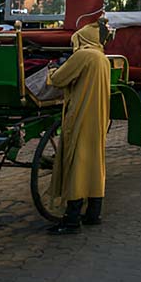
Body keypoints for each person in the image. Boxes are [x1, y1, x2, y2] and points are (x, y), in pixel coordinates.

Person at [46, 19, 113, 235]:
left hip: (82, 116)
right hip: (98, 117)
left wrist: (51, 70)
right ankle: (93, 213)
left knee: (77, 163)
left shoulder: (84, 55)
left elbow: (58, 80)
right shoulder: (102, 57)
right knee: (94, 163)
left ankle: (72, 219)